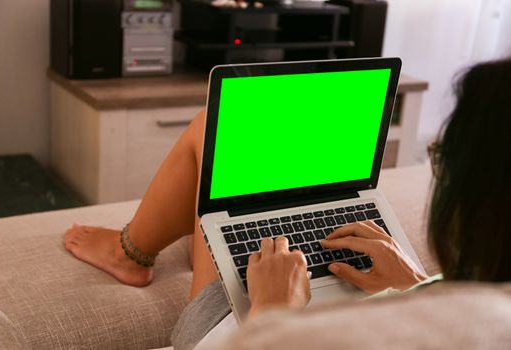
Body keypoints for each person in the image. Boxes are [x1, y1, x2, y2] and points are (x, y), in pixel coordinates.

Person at [64, 57, 511, 348]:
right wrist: (416, 287)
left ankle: (131, 251)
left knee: (213, 134)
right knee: (232, 186)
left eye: (443, 160)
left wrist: (272, 314)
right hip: (386, 295)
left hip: (250, 331)